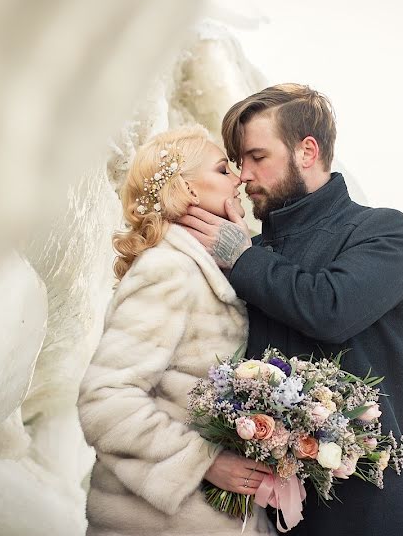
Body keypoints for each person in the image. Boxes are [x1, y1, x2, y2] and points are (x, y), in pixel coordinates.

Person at [177, 84, 403, 535]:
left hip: (369, 511)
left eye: (257, 157)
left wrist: (243, 257)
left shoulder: (382, 231)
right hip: (263, 515)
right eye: (237, 162)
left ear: (307, 150)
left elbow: (330, 308)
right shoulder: (249, 252)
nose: (244, 175)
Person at [78, 125, 275, 536]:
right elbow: (106, 401)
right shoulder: (168, 269)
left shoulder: (209, 266)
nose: (239, 177)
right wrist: (206, 461)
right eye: (224, 170)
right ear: (186, 188)